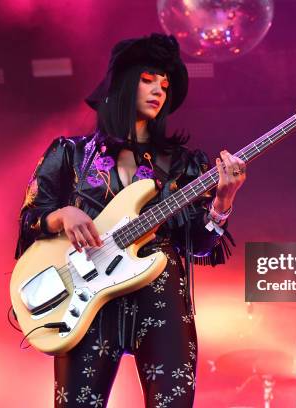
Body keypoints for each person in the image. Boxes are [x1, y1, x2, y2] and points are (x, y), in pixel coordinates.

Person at [15, 33, 246, 408]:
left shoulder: (184, 164)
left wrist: (223, 200)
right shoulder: (70, 153)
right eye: (149, 78)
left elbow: (200, 245)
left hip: (160, 291)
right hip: (84, 296)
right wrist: (64, 214)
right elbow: (30, 219)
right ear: (122, 81)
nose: (160, 90)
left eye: (166, 84)